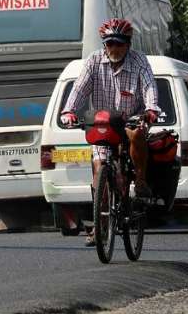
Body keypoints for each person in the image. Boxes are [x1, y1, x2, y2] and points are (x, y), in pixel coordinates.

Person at [59, 18, 160, 247]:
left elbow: (149, 87)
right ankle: (100, 224)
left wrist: (152, 109)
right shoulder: (94, 61)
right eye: (110, 43)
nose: (114, 48)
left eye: (119, 43)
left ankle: (141, 181)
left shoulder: (139, 62)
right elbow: (79, 89)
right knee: (98, 167)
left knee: (137, 134)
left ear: (128, 44)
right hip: (103, 123)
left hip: (131, 119)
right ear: (104, 44)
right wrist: (69, 111)